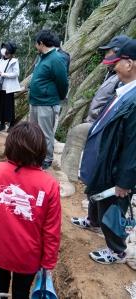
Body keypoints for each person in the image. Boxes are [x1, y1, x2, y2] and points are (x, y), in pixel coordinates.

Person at [0, 121, 61, 298]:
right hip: (28, 257)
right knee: (21, 291)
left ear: (9, 145)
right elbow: (51, 231)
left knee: (0, 282)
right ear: (41, 150)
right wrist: (48, 263)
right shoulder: (49, 184)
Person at [77, 39, 136, 265]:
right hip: (106, 160)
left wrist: (124, 181)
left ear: (129, 64)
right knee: (98, 200)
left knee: (111, 212)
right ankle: (94, 225)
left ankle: (117, 251)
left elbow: (133, 146)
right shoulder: (123, 89)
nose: (113, 65)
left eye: (117, 60)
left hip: (116, 168)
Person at [28, 30, 69, 169]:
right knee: (33, 131)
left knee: (45, 133)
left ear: (41, 43)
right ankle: (34, 155)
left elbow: (63, 82)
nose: (35, 45)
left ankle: (47, 159)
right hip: (35, 101)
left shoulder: (56, 59)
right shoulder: (42, 57)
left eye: (36, 43)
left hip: (47, 103)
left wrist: (59, 98)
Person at [85, 35, 130, 123]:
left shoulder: (122, 76)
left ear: (117, 51)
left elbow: (117, 106)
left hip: (102, 124)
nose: (105, 55)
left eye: (108, 51)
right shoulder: (111, 72)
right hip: (95, 122)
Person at [0, 42, 21, 132]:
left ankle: (11, 124)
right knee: (0, 105)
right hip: (1, 87)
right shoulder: (0, 61)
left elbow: (16, 74)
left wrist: (3, 74)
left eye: (7, 51)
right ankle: (2, 124)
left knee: (9, 107)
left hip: (9, 88)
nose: (5, 52)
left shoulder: (14, 61)